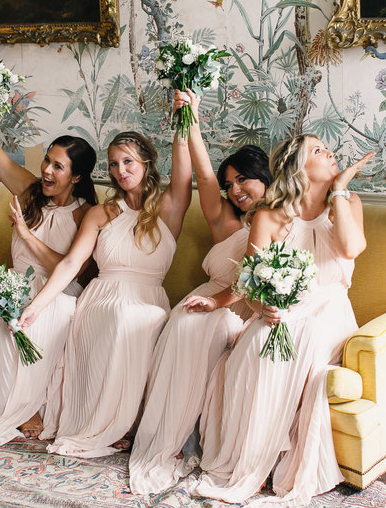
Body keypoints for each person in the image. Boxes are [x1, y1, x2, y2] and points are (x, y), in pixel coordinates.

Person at [193, 134, 372, 505]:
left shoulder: (349, 202)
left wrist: (339, 188)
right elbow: (251, 280)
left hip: (330, 311)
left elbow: (350, 248)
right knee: (256, 343)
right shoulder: (269, 215)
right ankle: (256, 457)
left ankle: (277, 462)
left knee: (304, 339)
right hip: (285, 313)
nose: (331, 153)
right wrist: (264, 308)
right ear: (298, 166)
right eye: (319, 151)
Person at [17, 116, 193, 458]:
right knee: (116, 317)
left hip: (146, 298)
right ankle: (104, 422)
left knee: (137, 319)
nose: (120, 171)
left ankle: (128, 422)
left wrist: (184, 111)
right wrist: (36, 305)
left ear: (146, 162)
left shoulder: (169, 208)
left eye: (127, 161)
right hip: (101, 297)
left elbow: (183, 161)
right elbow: (70, 263)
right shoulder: (101, 213)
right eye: (113, 164)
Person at [130, 90, 271, 495]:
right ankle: (165, 438)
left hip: (241, 307)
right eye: (231, 185)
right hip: (202, 301)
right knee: (184, 321)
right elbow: (204, 175)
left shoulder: (280, 221)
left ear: (265, 176)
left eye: (243, 178)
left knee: (201, 326)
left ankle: (189, 441)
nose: (235, 190)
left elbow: (256, 282)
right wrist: (188, 116)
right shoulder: (227, 223)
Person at [0, 117, 97, 450]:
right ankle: (11, 404)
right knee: (10, 327)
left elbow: (76, 272)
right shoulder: (29, 191)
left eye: (59, 166)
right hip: (19, 288)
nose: (47, 171)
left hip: (60, 291)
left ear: (77, 176)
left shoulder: (86, 213)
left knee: (50, 316)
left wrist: (27, 235)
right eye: (47, 161)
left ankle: (33, 406)